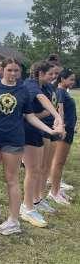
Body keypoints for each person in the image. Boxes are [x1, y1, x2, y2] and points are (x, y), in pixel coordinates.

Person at [0, 58, 63, 235]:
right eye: (10, 70)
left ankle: (14, 220)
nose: (13, 74)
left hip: (13, 139)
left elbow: (30, 116)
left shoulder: (23, 90)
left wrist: (50, 130)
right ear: (2, 70)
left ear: (20, 72)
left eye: (16, 71)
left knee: (11, 179)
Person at [20, 61, 63, 228]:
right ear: (40, 73)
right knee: (33, 170)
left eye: (55, 74)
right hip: (28, 130)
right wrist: (54, 115)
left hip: (39, 130)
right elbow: (41, 99)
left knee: (38, 169)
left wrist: (56, 118)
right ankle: (27, 207)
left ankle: (35, 200)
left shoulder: (45, 86)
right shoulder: (30, 85)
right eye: (50, 74)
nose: (53, 77)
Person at [48, 69, 77, 205]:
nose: (73, 82)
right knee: (58, 162)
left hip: (69, 130)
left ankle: (57, 190)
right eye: (71, 79)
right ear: (62, 79)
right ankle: (54, 193)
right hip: (64, 131)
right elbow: (60, 110)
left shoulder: (64, 91)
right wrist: (62, 127)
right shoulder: (60, 91)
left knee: (60, 162)